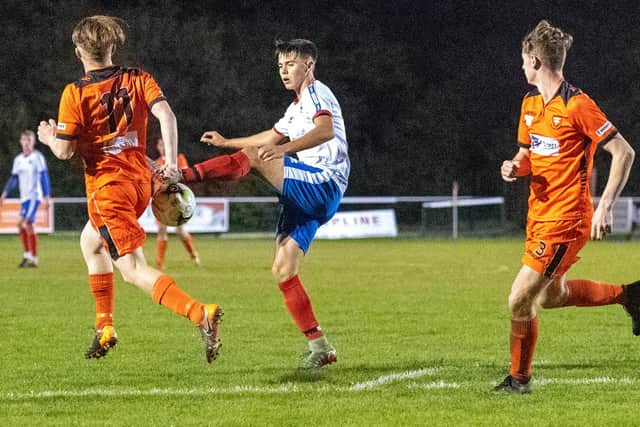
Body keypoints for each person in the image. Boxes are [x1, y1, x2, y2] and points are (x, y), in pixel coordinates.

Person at [37, 15, 222, 363]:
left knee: (133, 269)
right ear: (111, 47)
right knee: (90, 243)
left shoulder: (75, 92)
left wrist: (49, 138)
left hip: (109, 189)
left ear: (79, 51)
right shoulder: (138, 78)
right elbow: (167, 116)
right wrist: (170, 167)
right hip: (139, 183)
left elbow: (64, 151)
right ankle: (104, 326)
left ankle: (201, 313)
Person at [182, 39, 349, 368]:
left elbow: (325, 131)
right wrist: (226, 142)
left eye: (291, 64)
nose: (284, 71)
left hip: (323, 182)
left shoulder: (317, 92)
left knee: (258, 158)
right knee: (283, 268)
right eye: (280, 66)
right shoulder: (295, 108)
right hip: (309, 191)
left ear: (309, 65)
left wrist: (285, 150)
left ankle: (185, 176)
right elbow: (268, 138)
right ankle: (320, 347)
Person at [496, 20, 637, 393]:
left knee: (519, 298)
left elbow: (623, 151)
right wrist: (515, 167)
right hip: (538, 217)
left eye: (524, 60)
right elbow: (529, 153)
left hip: (567, 219)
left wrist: (605, 206)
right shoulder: (530, 104)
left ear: (535, 60)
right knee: (550, 296)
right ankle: (631, 295)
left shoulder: (577, 105)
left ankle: (519, 380)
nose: (521, 67)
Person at [0, 130, 51, 268]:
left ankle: (33, 258)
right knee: (21, 225)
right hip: (24, 198)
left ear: (33, 142)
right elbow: (14, 178)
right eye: (24, 140)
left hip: (35, 196)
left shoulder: (38, 158)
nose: (27, 143)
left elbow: (44, 176)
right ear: (21, 142)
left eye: (29, 140)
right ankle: (29, 255)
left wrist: (47, 196)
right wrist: (5, 193)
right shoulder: (18, 160)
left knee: (26, 223)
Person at [154, 138, 200, 269]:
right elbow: (156, 184)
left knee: (180, 230)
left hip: (178, 200)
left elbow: (184, 176)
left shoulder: (179, 159)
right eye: (160, 144)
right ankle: (160, 263)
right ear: (158, 147)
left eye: (164, 144)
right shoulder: (157, 163)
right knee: (162, 229)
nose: (162, 147)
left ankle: (193, 254)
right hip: (163, 201)